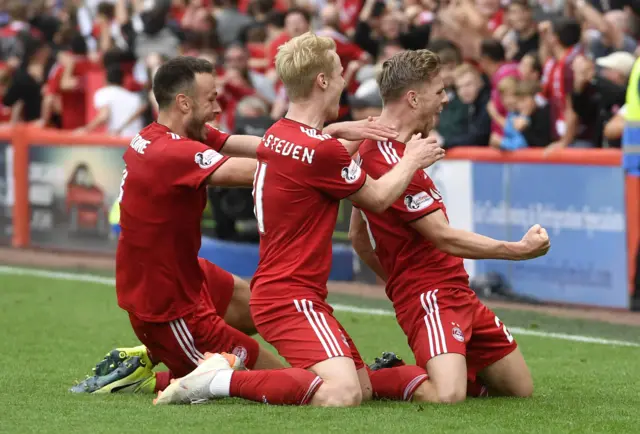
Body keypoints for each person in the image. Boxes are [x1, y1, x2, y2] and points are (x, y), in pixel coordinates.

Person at [70, 55, 399, 395]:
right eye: (211, 99)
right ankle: (151, 377)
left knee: (256, 305)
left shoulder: (166, 134)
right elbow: (274, 171)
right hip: (166, 307)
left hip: (184, 274)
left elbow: (271, 149)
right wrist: (326, 149)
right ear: (184, 103)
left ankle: (151, 355)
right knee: (272, 374)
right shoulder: (173, 153)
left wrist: (319, 137)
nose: (217, 108)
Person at [154, 33, 445, 407]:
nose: (344, 82)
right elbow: (377, 198)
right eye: (339, 73)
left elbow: (314, 154)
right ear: (322, 80)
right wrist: (411, 158)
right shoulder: (317, 148)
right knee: (342, 395)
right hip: (289, 296)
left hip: (286, 291)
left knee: (365, 388)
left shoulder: (280, 133)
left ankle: (169, 377)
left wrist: (340, 131)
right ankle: (219, 379)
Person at [348, 49, 551, 404]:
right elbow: (442, 236)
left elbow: (358, 237)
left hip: (457, 291)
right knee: (447, 395)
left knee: (519, 389)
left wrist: (396, 281)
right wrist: (517, 251)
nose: (445, 100)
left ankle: (447, 363)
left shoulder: (385, 149)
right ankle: (370, 379)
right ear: (413, 98)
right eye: (439, 91)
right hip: (430, 295)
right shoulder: (384, 157)